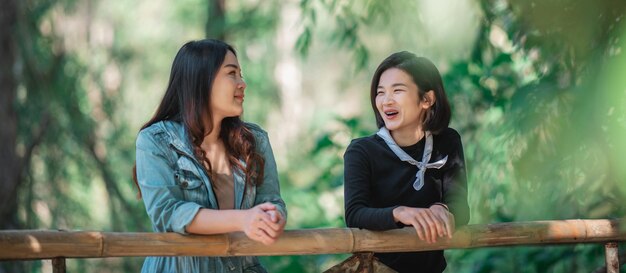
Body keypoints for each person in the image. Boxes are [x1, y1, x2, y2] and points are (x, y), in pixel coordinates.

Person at [133, 39, 287, 273]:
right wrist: (243, 219)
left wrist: (274, 218)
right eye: (231, 74)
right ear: (201, 80)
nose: (242, 83)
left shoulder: (255, 141)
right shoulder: (155, 140)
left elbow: (272, 201)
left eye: (240, 74)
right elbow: (167, 212)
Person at [343, 51, 469, 273]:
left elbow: (461, 208)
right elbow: (355, 214)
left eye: (397, 90)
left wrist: (444, 208)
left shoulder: (447, 142)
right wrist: (400, 213)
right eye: (380, 93)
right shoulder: (361, 151)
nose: (386, 101)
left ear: (427, 99)